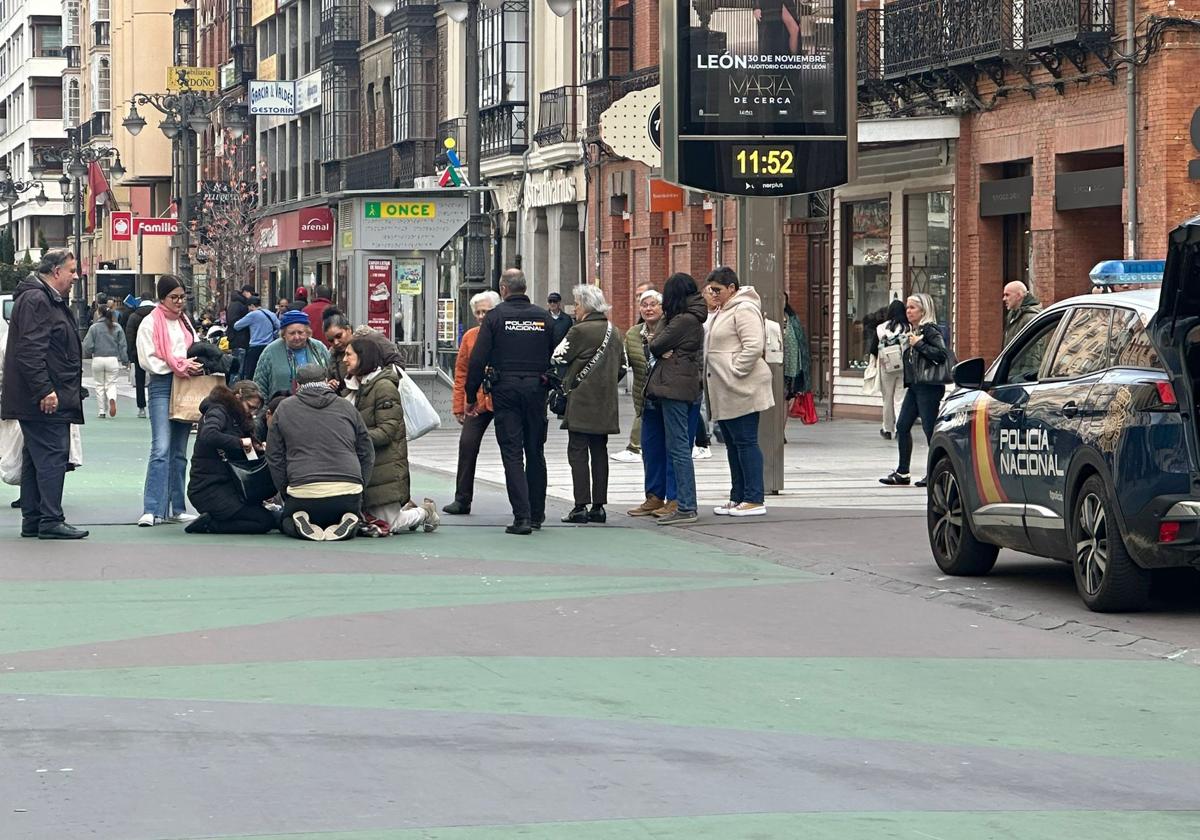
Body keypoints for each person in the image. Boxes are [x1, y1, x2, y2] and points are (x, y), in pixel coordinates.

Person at [0, 249, 89, 539]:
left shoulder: (40, 298)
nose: (75, 276)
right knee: (52, 454)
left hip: (42, 393)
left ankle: (35, 518)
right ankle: (49, 519)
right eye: (72, 270)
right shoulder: (39, 300)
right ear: (55, 272)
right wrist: (45, 389)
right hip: (44, 397)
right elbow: (31, 350)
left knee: (36, 455)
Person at [464, 268, 553, 535]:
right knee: (535, 450)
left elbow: (478, 360)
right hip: (537, 389)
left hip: (506, 390)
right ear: (524, 288)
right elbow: (554, 352)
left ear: (503, 289)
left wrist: (471, 397)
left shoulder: (495, 317)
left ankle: (522, 517)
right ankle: (537, 514)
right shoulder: (543, 317)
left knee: (512, 452)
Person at [266, 364, 374, 541]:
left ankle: (299, 523)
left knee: (285, 521)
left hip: (303, 490)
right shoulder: (346, 407)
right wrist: (360, 485)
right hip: (348, 490)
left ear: (297, 385)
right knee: (346, 515)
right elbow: (367, 452)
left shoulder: (284, 408)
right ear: (325, 381)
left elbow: (274, 456)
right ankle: (348, 523)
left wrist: (285, 488)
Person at [343, 336, 439, 535]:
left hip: (385, 465)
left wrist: (353, 439)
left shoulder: (384, 387)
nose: (344, 359)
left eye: (348, 355)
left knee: (390, 523)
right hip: (367, 464)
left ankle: (425, 512)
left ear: (363, 357)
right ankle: (406, 508)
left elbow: (387, 431)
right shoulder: (355, 387)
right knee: (370, 517)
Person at [703, 267, 775, 518]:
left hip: (741, 386)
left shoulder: (744, 308)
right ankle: (738, 496)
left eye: (717, 290)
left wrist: (735, 370)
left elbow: (754, 345)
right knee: (733, 444)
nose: (713, 294)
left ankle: (754, 498)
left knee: (745, 441)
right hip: (726, 387)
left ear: (732, 288)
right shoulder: (721, 310)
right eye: (710, 289)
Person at [552, 285, 626, 524]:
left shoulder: (579, 330)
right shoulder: (614, 331)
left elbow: (558, 356)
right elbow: (623, 367)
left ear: (585, 305)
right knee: (599, 451)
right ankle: (599, 506)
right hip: (605, 401)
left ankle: (580, 505)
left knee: (578, 451)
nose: (574, 308)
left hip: (581, 400)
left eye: (577, 303)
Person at [137, 274, 203, 527]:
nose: (178, 302)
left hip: (185, 384)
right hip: (163, 385)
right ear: (161, 298)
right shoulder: (150, 323)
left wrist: (190, 365)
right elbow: (148, 360)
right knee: (161, 447)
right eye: (173, 297)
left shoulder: (185, 321)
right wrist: (179, 365)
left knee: (178, 451)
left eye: (181, 297)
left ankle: (176, 506)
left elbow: (195, 348)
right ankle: (152, 508)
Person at [643, 273, 707, 526]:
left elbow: (656, 345)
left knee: (679, 447)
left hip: (675, 388)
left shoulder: (683, 320)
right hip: (679, 386)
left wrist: (658, 346)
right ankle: (683, 502)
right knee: (678, 446)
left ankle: (686, 504)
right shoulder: (689, 318)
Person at [185, 381, 276, 535]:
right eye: (251, 407)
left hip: (224, 486)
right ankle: (210, 525)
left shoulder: (234, 416)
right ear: (238, 397)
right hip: (210, 488)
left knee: (265, 519)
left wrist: (257, 448)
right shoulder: (218, 410)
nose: (252, 413)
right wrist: (240, 443)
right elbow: (209, 434)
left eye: (256, 410)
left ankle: (214, 521)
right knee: (263, 521)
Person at [880, 293, 949, 488]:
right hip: (915, 386)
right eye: (907, 308)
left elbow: (941, 354)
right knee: (902, 426)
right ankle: (903, 472)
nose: (907, 311)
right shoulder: (913, 330)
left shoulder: (930, 330)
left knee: (929, 430)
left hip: (929, 387)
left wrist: (918, 343)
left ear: (923, 311)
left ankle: (935, 472)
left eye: (912, 308)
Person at [444, 290, 500, 515]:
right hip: (475, 400)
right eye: (477, 312)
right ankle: (462, 498)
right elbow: (461, 373)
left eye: (485, 311)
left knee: (512, 448)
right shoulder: (470, 336)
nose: (480, 316)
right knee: (467, 444)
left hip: (500, 397)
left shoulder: (503, 334)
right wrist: (459, 405)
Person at [613, 289, 663, 464]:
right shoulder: (633, 333)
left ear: (662, 308)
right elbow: (622, 361)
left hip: (668, 393)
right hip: (642, 394)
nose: (648, 309)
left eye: (653, 305)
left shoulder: (672, 329)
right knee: (649, 446)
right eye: (644, 305)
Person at [253, 310, 331, 397]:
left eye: (301, 333)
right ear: (284, 334)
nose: (297, 337)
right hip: (281, 406)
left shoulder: (318, 348)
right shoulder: (270, 352)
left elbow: (331, 374)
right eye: (292, 333)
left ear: (308, 333)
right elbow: (259, 386)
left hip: (317, 404)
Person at [83, 305, 128, 419]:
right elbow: (122, 345)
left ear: (99, 313)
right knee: (111, 383)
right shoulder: (116, 327)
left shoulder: (94, 327)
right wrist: (124, 360)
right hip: (112, 359)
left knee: (99, 385)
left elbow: (87, 346)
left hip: (98, 358)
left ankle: (102, 411)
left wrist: (91, 351)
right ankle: (112, 398)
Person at [875, 298, 907, 441]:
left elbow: (876, 346)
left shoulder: (881, 328)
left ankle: (887, 429)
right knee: (900, 399)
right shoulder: (908, 327)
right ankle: (901, 429)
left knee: (887, 399)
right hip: (903, 366)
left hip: (886, 366)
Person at [125, 293, 157, 418]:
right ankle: (155, 405)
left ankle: (141, 407)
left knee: (139, 379)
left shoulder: (134, 316)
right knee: (156, 378)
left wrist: (130, 353)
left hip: (139, 351)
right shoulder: (158, 315)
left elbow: (130, 336)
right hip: (156, 351)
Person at [234, 296, 280, 381]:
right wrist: (273, 335)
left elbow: (237, 326)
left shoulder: (252, 315)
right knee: (266, 370)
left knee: (252, 372)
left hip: (255, 346)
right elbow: (279, 327)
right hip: (269, 346)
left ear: (251, 305)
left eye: (248, 306)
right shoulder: (270, 313)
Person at [225, 284, 255, 385]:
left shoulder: (237, 303)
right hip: (239, 341)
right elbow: (233, 322)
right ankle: (234, 390)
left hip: (239, 340)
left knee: (239, 369)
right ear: (246, 292)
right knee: (238, 369)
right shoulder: (238, 304)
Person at [322, 308, 354, 390]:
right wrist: (331, 384)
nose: (336, 343)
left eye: (339, 336)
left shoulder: (366, 347)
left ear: (348, 330)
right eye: (331, 340)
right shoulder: (333, 356)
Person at [1003, 281, 1041, 346]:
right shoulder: (1012, 315)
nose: (1004, 299)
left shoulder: (1030, 317)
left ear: (1018, 296)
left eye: (1007, 295)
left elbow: (1033, 351)